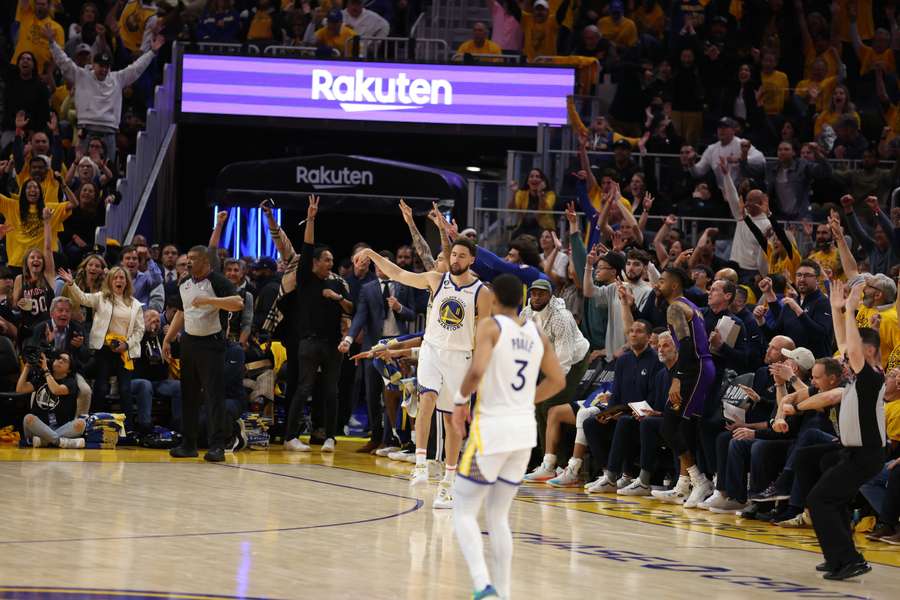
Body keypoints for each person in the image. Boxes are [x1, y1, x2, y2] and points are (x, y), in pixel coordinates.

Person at [451, 273, 565, 600]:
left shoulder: (491, 326)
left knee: (462, 508)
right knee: (498, 515)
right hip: (523, 431)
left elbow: (476, 371)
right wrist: (526, 399)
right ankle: (503, 593)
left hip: (492, 431)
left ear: (494, 297)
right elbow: (557, 381)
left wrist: (460, 402)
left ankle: (481, 584)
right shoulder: (535, 332)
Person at [360, 236, 494, 510]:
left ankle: (448, 484)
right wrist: (371, 252)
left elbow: (484, 334)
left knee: (452, 423)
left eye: (461, 256)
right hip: (432, 350)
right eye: (453, 255)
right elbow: (399, 273)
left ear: (471, 260)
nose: (455, 260)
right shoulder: (436, 280)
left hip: (461, 358)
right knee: (427, 399)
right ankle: (420, 464)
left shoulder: (482, 292)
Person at [796, 282, 887, 580]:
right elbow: (845, 344)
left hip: (865, 454)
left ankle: (849, 560)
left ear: (868, 350)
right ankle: (840, 556)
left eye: (852, 354)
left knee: (820, 499)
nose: (844, 359)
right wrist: (837, 309)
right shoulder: (859, 379)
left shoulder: (871, 376)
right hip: (853, 453)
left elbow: (853, 348)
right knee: (827, 496)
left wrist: (851, 309)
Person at [283, 197, 352, 453]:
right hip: (309, 342)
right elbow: (307, 244)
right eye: (326, 260)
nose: (330, 264)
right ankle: (291, 437)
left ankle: (330, 437)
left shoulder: (336, 283)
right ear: (314, 262)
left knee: (332, 391)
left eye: (332, 261)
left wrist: (338, 298)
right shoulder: (305, 278)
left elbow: (351, 309)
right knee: (304, 388)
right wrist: (311, 218)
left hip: (333, 343)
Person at [162, 246, 243, 462]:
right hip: (189, 342)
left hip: (212, 344)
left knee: (213, 396)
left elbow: (238, 303)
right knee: (188, 395)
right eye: (188, 258)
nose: (189, 262)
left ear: (206, 262)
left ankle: (217, 445)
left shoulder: (217, 281)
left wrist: (210, 301)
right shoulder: (185, 283)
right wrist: (168, 338)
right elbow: (181, 312)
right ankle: (189, 444)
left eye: (194, 259)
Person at [46, 22, 163, 162]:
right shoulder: (81, 75)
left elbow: (136, 68)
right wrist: (52, 43)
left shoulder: (117, 78)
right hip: (86, 130)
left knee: (108, 171)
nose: (103, 69)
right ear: (93, 64)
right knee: (81, 168)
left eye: (106, 66)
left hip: (109, 132)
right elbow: (64, 61)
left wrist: (152, 52)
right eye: (100, 66)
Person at [341, 250, 418, 453]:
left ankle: (393, 439)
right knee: (372, 394)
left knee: (395, 394)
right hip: (372, 347)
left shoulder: (404, 285)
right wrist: (349, 338)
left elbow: (412, 315)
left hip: (398, 346)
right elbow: (360, 316)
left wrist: (400, 308)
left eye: (384, 265)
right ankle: (376, 438)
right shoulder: (367, 288)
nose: (380, 269)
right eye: (377, 266)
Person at [652, 266, 716, 507]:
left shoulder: (675, 308)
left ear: (675, 285)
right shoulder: (688, 304)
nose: (657, 285)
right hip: (698, 367)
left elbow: (687, 345)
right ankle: (683, 484)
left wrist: (677, 378)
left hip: (694, 368)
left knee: (670, 427)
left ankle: (700, 481)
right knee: (680, 425)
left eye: (662, 281)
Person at [60, 265, 146, 431]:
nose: (119, 280)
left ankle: (128, 429)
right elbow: (83, 299)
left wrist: (126, 344)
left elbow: (139, 329)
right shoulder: (101, 298)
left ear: (127, 282)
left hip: (125, 351)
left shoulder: (135, 304)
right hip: (104, 350)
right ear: (110, 281)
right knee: (101, 387)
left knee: (125, 389)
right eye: (116, 278)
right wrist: (71, 284)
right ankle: (96, 426)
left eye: (122, 277)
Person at [17, 351, 84, 449]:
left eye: (64, 360)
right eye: (58, 358)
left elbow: (56, 390)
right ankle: (60, 442)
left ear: (69, 369)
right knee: (28, 418)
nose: (60, 361)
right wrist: (27, 367)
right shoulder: (41, 378)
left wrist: (45, 370)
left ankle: (44, 441)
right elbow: (20, 389)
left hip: (61, 427)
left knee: (81, 423)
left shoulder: (71, 382)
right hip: (38, 429)